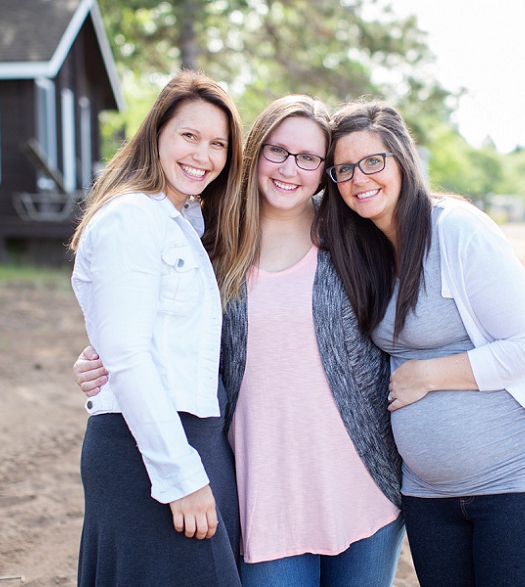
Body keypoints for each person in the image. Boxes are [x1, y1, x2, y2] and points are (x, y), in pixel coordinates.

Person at [73, 95, 405, 587]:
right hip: (263, 495)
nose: (290, 168)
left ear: (324, 171)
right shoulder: (209, 245)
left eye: (310, 158)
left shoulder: (355, 239)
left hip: (363, 486)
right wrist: (98, 361)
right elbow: (150, 331)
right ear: (252, 155)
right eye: (276, 151)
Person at [316, 100, 525, 586]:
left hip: (522, 484)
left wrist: (428, 375)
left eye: (373, 162)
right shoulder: (366, 249)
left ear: (402, 159)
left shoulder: (456, 229)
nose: (360, 179)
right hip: (428, 499)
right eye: (343, 169)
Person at [68, 70, 244, 587]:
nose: (203, 155)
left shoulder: (186, 223)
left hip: (191, 438)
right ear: (157, 135)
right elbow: (126, 356)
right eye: (189, 135)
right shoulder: (130, 219)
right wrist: (180, 477)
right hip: (147, 450)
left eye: (218, 144)